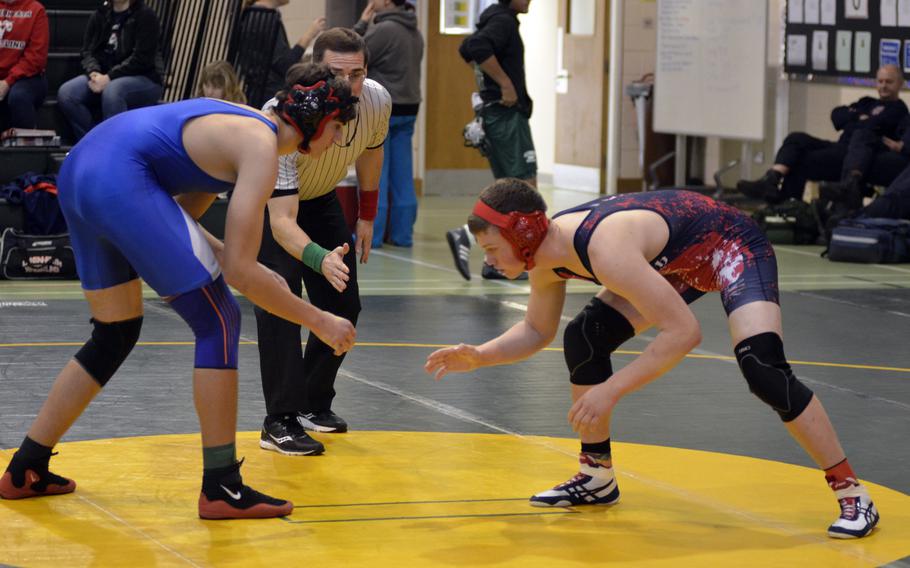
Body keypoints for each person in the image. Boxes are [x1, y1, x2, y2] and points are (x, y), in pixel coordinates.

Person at [0, 63, 359, 520]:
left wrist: (244, 266)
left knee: (115, 330)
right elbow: (241, 273)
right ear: (320, 124)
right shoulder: (262, 148)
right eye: (337, 132)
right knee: (220, 321)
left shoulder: (242, 128)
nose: (336, 144)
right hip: (117, 176)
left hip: (81, 170)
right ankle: (222, 486)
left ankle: (25, 466)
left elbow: (184, 224)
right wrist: (319, 319)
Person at [425, 179, 880, 539]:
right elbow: (536, 330)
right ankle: (596, 476)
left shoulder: (604, 250)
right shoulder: (546, 257)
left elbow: (684, 333)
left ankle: (852, 492)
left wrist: (610, 391)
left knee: (762, 368)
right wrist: (479, 356)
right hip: (677, 258)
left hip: (729, 243)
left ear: (522, 235)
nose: (488, 263)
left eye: (490, 250)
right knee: (584, 336)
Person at [255, 29, 390, 456]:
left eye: (357, 74)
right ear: (316, 70)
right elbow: (282, 222)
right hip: (270, 206)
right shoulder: (285, 117)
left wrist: (367, 213)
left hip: (320, 197)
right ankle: (279, 420)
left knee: (344, 303)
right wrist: (319, 257)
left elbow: (371, 149)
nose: (347, 85)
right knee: (280, 302)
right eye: (335, 73)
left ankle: (313, 402)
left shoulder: (376, 100)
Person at [445, 0, 537, 281]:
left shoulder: (494, 18)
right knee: (525, 190)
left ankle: (491, 261)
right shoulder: (503, 21)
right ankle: (469, 236)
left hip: (496, 115)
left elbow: (467, 47)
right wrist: (504, 83)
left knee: (509, 192)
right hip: (506, 116)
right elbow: (477, 48)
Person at [738, 65, 907, 204]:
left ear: (900, 84)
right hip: (839, 146)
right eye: (880, 81)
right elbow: (837, 115)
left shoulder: (899, 110)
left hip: (855, 155)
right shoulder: (866, 102)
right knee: (796, 138)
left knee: (803, 160)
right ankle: (772, 178)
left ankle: (786, 206)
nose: (884, 86)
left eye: (889, 82)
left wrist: (855, 118)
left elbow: (873, 125)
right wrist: (857, 116)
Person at [354, 0, 424, 248]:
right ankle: (402, 235)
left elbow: (350, 52)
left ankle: (372, 235)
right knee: (403, 173)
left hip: (384, 106)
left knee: (375, 172)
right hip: (409, 104)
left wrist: (363, 21)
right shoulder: (415, 31)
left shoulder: (384, 30)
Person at [57, 0, 164, 142]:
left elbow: (142, 59)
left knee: (114, 90)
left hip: (145, 77)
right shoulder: (100, 15)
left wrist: (109, 77)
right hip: (104, 74)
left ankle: (114, 146)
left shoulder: (145, 15)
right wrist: (93, 72)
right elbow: (87, 51)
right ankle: (92, 142)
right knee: (68, 93)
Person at [236, 0, 325, 109]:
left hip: (256, 94)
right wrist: (309, 34)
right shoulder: (267, 17)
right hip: (269, 98)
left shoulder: (250, 14)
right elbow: (285, 64)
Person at [0, 0, 48, 132]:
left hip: (28, 77)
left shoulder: (36, 9)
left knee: (18, 96)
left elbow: (36, 58)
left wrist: (7, 82)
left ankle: (26, 149)